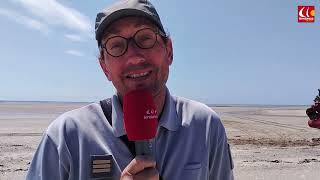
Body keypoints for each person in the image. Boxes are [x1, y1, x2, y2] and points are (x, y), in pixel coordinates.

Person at [26, 0, 234, 179]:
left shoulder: (205, 125)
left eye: (145, 38)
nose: (134, 56)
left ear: (169, 51)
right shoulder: (66, 136)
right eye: (116, 45)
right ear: (105, 67)